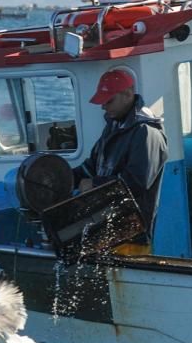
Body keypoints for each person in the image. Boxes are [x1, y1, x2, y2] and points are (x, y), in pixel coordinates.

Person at [72, 69, 168, 240]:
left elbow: (136, 183)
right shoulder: (113, 127)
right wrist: (62, 179)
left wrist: (94, 184)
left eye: (108, 101)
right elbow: (91, 167)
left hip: (132, 234)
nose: (103, 106)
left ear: (128, 94)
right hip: (106, 229)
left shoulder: (146, 132)